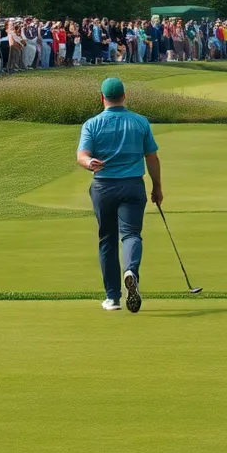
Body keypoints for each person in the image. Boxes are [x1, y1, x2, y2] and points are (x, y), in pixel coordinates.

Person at [76, 77, 163, 314]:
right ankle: (131, 272)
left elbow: (82, 156)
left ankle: (112, 298)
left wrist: (89, 163)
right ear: (124, 96)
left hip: (103, 187)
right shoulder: (140, 122)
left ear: (102, 98)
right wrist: (157, 188)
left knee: (107, 239)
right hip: (133, 186)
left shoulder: (92, 124)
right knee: (131, 234)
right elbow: (152, 158)